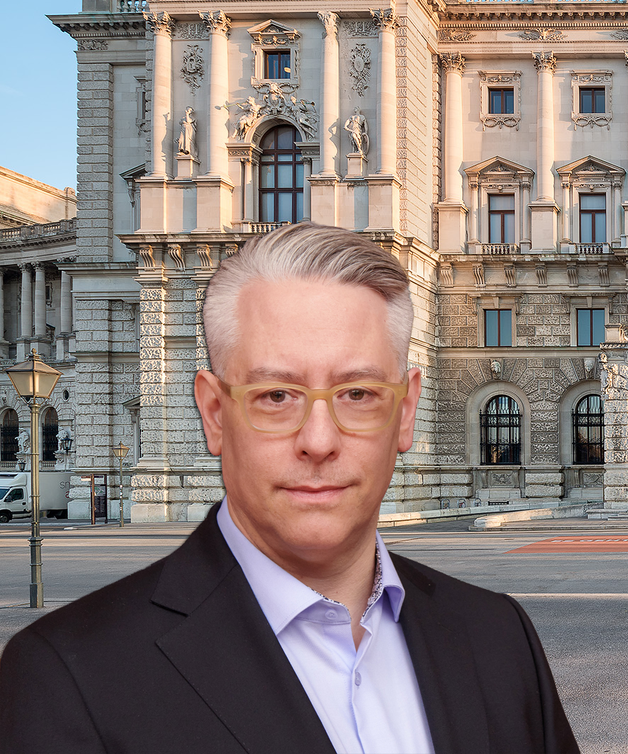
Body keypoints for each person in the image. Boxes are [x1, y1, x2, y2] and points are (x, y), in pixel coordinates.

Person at [0, 223, 579, 753]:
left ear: (406, 413)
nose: (319, 441)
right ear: (214, 414)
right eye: (276, 396)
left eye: (357, 394)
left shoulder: (501, 638)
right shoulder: (64, 678)